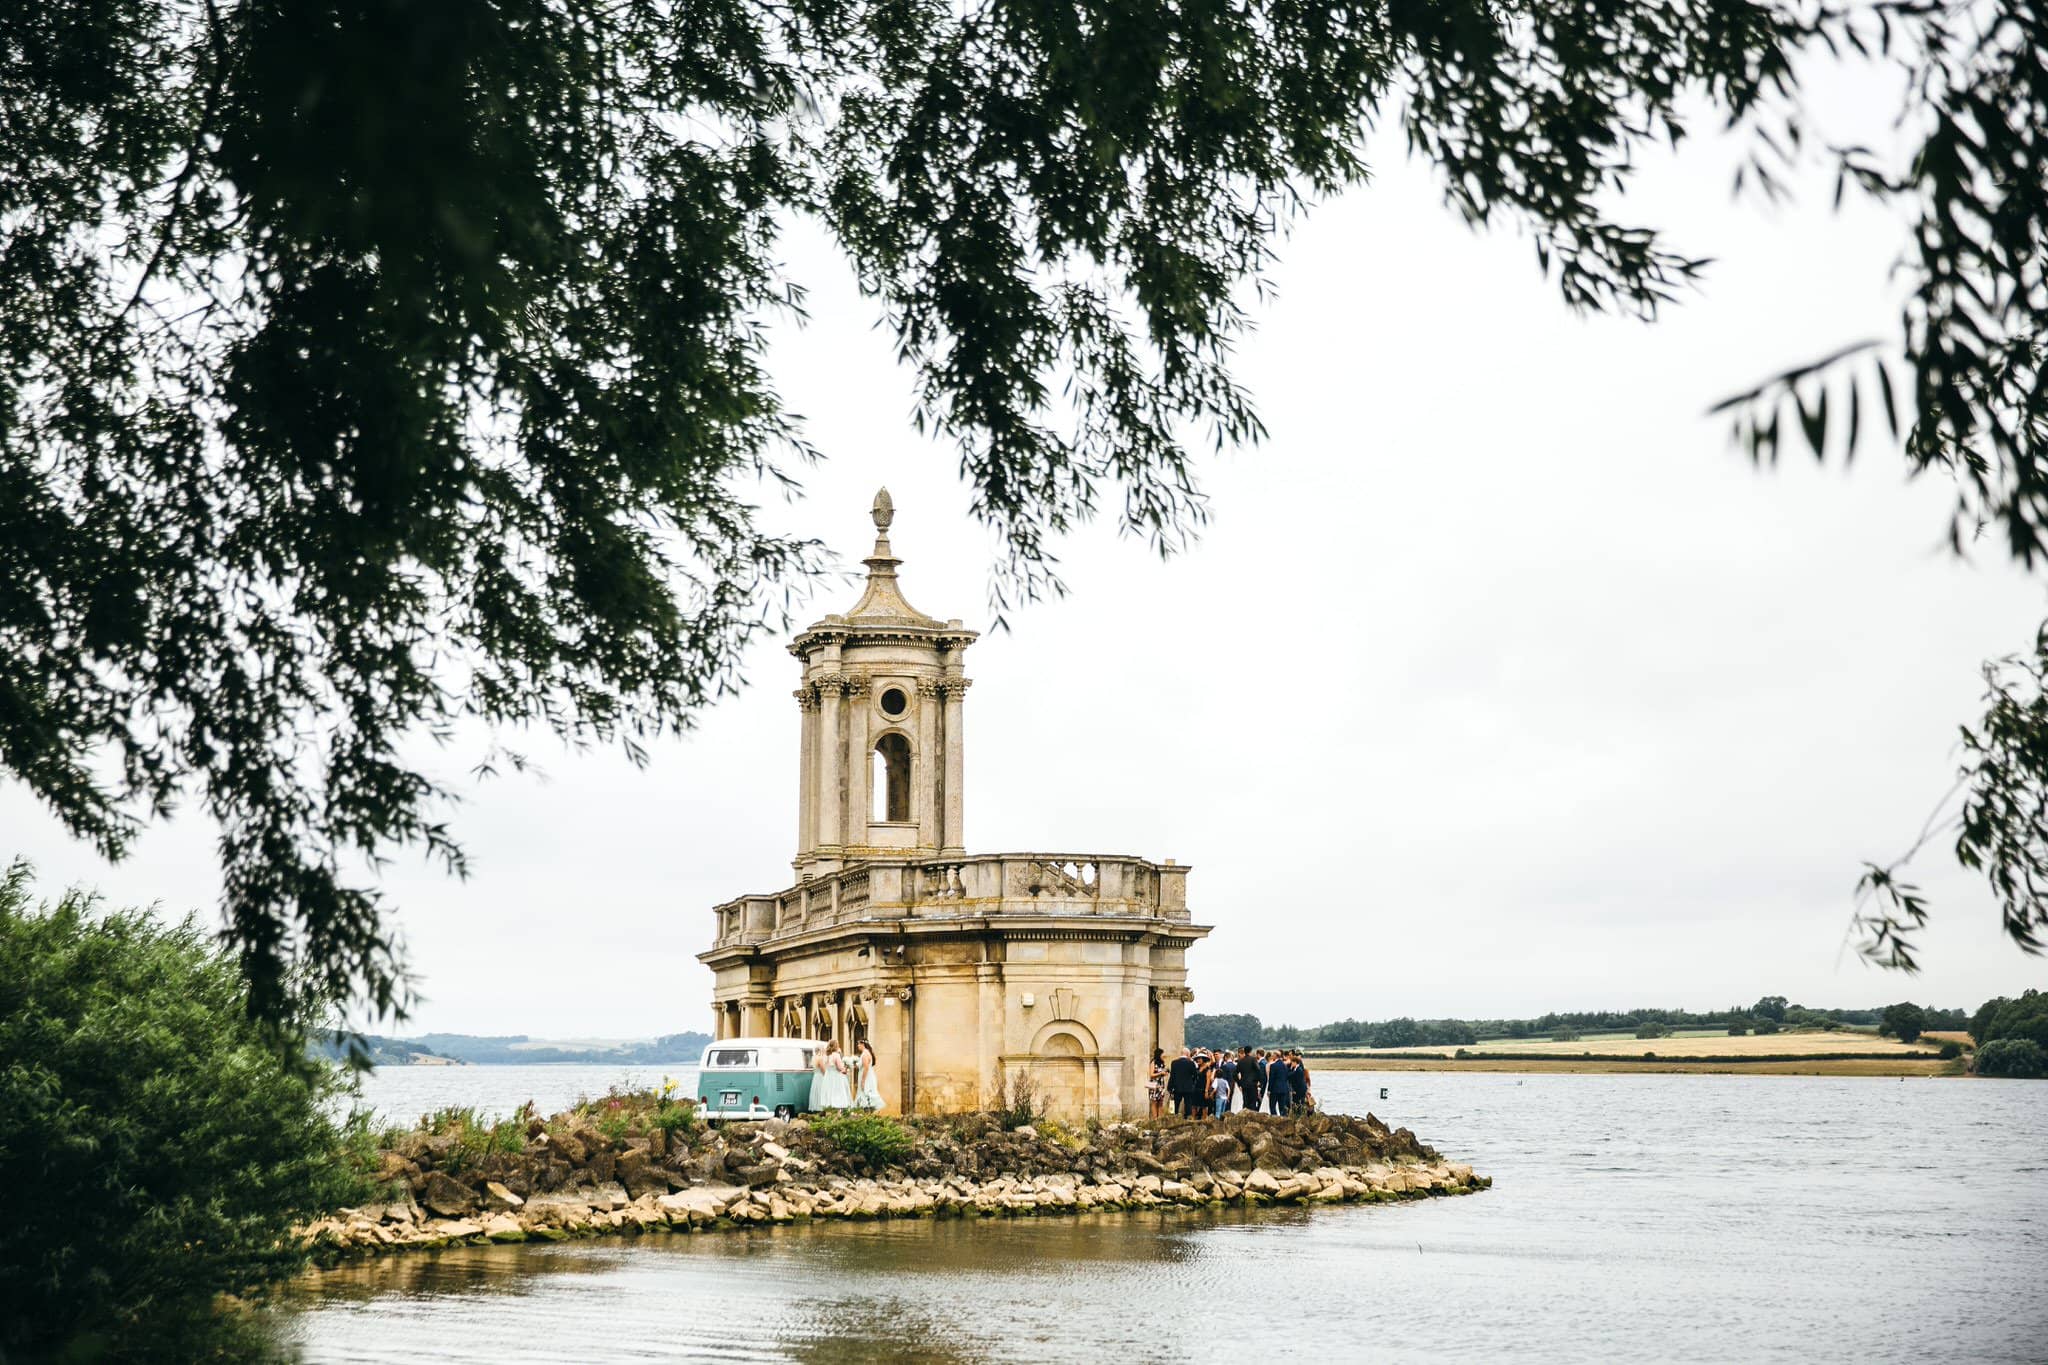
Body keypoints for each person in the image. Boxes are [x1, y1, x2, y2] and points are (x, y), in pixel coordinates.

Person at [814, 1040, 854, 1110]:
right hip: (836, 1077)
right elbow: (840, 1068)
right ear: (836, 1046)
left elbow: (827, 1066)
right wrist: (846, 1068)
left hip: (829, 1077)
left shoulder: (827, 1056)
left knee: (831, 1094)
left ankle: (830, 1112)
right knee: (838, 1094)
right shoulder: (836, 1055)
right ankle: (838, 1114)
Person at [1167, 1046, 1201, 1118]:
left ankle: (1174, 1118)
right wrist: (1192, 1083)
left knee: (1176, 1104)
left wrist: (1170, 1087)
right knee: (1188, 1105)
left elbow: (1172, 1076)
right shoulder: (1191, 1063)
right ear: (1188, 1054)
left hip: (1177, 1087)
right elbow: (1195, 1075)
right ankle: (1187, 1119)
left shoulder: (1174, 1063)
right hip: (1188, 1087)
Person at [852, 1038, 882, 1110]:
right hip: (869, 1076)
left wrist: (863, 1081)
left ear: (863, 1044)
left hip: (867, 1077)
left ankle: (867, 1115)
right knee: (866, 1095)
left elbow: (866, 1068)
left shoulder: (865, 1054)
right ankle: (867, 1116)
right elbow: (861, 1066)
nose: (858, 1045)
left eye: (859, 1044)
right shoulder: (866, 1053)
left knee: (866, 1095)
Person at [1265, 1048, 1294, 1115]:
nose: (1272, 1056)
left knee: (1272, 1106)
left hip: (1275, 1089)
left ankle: (1275, 1119)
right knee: (1282, 1107)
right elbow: (1287, 1076)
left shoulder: (1273, 1065)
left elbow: (1271, 1079)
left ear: (1276, 1055)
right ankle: (1282, 1120)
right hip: (1283, 1089)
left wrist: (1269, 1090)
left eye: (1273, 1055)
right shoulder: (1285, 1066)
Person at [1236, 1046, 1261, 1112]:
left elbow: (1234, 1074)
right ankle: (1252, 1118)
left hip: (1244, 1084)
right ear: (1250, 1051)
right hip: (1252, 1084)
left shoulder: (1240, 1061)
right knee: (1253, 1102)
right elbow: (1258, 1070)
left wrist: (1239, 1083)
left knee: (1245, 1102)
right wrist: (1258, 1080)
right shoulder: (1253, 1059)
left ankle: (1245, 1118)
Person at [1291, 1050, 1313, 1115]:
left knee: (1303, 1103)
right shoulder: (1300, 1070)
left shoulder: (1303, 1071)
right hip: (1304, 1089)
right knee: (1302, 1103)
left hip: (1303, 1089)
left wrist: (1308, 1090)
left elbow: (1308, 1081)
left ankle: (1304, 1114)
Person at [1148, 1047, 1167, 1119]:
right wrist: (1160, 1073)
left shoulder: (1162, 1063)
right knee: (1154, 1102)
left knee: (1160, 1101)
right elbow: (1151, 1074)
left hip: (1161, 1084)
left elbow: (1162, 1073)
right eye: (1162, 1054)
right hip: (1154, 1084)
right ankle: (1155, 1118)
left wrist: (1164, 1073)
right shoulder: (1153, 1062)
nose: (1163, 1055)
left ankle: (1160, 1118)